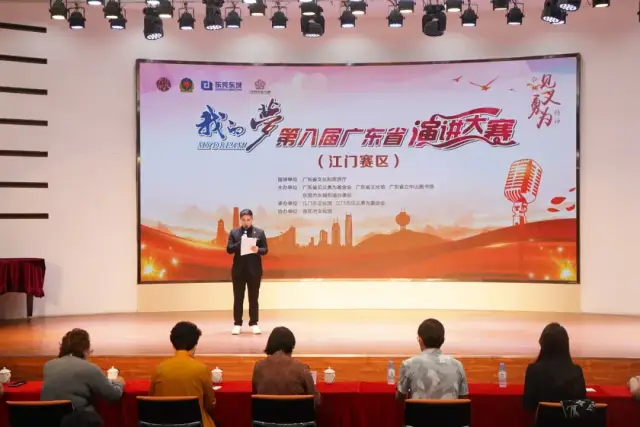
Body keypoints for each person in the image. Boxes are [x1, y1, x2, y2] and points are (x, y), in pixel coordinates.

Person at [149, 321, 216, 427]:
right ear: (195, 344)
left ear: (173, 343)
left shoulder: (159, 369)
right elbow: (209, 404)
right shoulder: (202, 369)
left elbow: (152, 399)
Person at [41, 328, 124, 411]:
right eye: (89, 351)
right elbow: (113, 395)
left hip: (48, 416)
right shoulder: (90, 368)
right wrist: (119, 383)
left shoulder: (48, 365)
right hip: (78, 416)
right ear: (84, 350)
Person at [396, 318, 468, 401]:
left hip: (418, 410)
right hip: (449, 410)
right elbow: (463, 399)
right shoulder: (457, 365)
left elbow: (400, 398)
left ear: (420, 340)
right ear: (443, 340)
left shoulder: (408, 365)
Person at [523, 322, 586, 410]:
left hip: (543, 418)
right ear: (566, 344)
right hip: (570, 419)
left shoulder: (533, 371)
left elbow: (528, 405)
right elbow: (581, 404)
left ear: (542, 344)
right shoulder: (577, 371)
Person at [226, 208, 268, 335]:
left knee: (253, 298)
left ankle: (254, 323)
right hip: (238, 271)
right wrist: (240, 243)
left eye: (248, 220)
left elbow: (265, 249)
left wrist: (258, 250)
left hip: (254, 271)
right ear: (240, 220)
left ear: (252, 219)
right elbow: (229, 249)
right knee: (238, 298)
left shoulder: (259, 232)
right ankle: (237, 324)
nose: (246, 222)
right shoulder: (234, 232)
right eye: (243, 220)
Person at [252, 326, 320, 406]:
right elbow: (315, 400)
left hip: (265, 413)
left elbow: (255, 395)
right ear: (291, 346)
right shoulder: (301, 368)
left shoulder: (258, 367)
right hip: (296, 413)